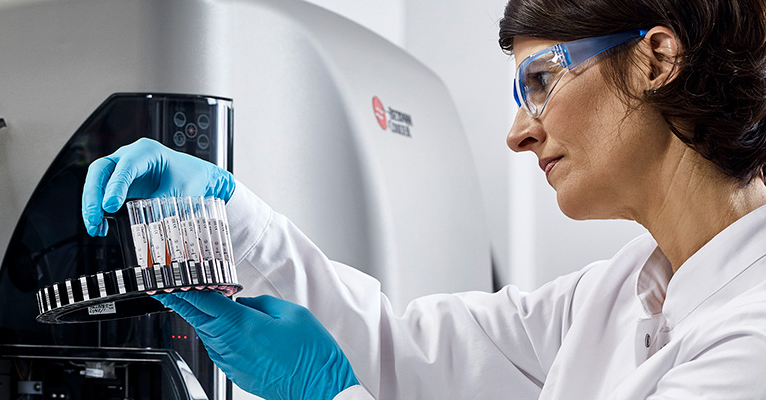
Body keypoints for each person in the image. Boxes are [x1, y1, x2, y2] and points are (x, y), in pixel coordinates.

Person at [81, 0, 766, 399]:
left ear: (655, 59)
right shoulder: (616, 295)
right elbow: (398, 349)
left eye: (542, 80)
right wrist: (230, 218)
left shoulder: (750, 344)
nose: (519, 133)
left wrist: (327, 393)